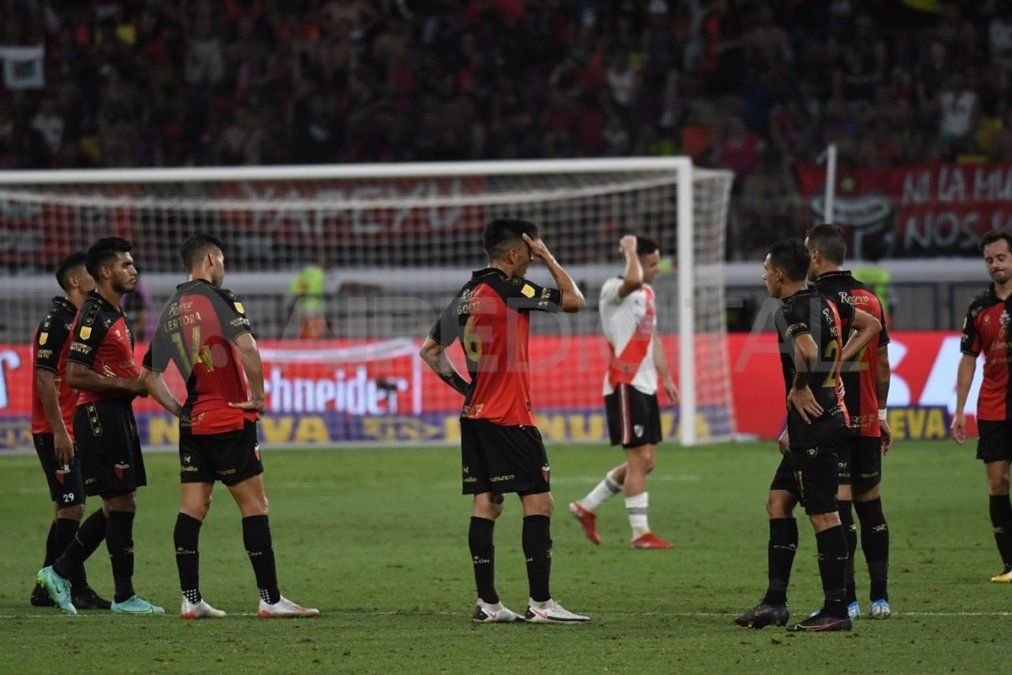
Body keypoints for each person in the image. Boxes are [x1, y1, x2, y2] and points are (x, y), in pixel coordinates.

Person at [419, 217, 590, 624]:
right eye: (529, 253)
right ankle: (542, 604)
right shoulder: (511, 289)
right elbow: (574, 299)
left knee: (487, 503)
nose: (531, 260)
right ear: (514, 253)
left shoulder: (467, 294)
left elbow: (430, 351)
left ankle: (489, 604)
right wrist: (549, 255)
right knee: (540, 502)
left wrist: (467, 390)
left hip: (475, 416)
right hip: (510, 415)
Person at [140, 233, 319, 619]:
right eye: (221, 261)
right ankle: (270, 599)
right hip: (229, 417)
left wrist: (179, 410)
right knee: (255, 505)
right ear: (209, 260)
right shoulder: (219, 298)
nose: (223, 269)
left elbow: (148, 376)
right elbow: (249, 347)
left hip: (194, 423)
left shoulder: (170, 308)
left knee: (192, 508)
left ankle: (190, 598)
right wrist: (258, 396)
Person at [735, 239, 880, 633]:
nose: (764, 276)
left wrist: (801, 385)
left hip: (815, 422)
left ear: (780, 274)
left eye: (766, 269)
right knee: (778, 501)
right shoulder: (826, 301)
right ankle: (774, 603)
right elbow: (872, 326)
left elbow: (808, 352)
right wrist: (836, 369)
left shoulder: (789, 310)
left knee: (823, 514)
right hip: (819, 419)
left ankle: (835, 609)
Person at [37, 237, 160, 616]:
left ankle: (65, 578)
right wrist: (59, 428)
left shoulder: (114, 315)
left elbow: (132, 374)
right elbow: (63, 376)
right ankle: (70, 579)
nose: (134, 270)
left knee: (113, 504)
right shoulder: (78, 317)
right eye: (126, 264)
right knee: (90, 506)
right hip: (88, 420)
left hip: (108, 417)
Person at [806, 224, 894, 620]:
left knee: (840, 509)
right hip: (868, 418)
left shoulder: (815, 300)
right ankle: (881, 598)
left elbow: (809, 366)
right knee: (871, 505)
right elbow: (883, 367)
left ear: (816, 257)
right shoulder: (871, 300)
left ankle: (851, 599)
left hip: (830, 418)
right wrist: (883, 413)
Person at [569, 235, 679, 549]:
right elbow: (632, 276)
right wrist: (629, 249)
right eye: (653, 264)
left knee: (647, 462)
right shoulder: (612, 289)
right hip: (624, 383)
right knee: (636, 461)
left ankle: (587, 506)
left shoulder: (647, 292)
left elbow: (653, 337)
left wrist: (667, 378)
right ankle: (640, 533)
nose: (658, 269)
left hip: (646, 385)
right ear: (638, 262)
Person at [29, 252, 110, 610]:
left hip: (67, 426)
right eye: (91, 275)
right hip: (54, 429)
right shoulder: (56, 321)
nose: (96, 279)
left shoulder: (77, 319)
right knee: (73, 508)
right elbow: (44, 378)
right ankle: (74, 586)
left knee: (67, 510)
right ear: (76, 281)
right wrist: (59, 430)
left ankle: (46, 587)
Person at [952, 229, 1012, 583]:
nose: (995, 265)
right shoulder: (979, 308)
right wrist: (960, 410)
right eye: (989, 260)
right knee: (998, 482)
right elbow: (968, 360)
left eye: (1001, 257)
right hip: (993, 408)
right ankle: (1009, 564)